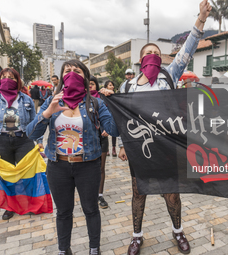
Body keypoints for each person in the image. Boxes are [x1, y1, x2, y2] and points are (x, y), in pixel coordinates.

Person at [105, 1, 211, 254]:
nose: (151, 55)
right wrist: (120, 145)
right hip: (139, 150)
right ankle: (136, 236)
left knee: (171, 195)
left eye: (155, 52)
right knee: (138, 193)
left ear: (160, 58)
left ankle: (178, 231)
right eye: (147, 52)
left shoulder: (168, 75)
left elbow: (188, 49)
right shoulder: (127, 87)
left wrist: (201, 19)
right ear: (140, 59)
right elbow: (122, 119)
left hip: (166, 148)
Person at [26, 59, 119, 255]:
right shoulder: (52, 102)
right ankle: (63, 250)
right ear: (61, 77)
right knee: (63, 212)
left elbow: (113, 130)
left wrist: (113, 103)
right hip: (58, 166)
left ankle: (94, 249)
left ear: (85, 77)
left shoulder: (95, 102)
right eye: (67, 71)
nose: (71, 74)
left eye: (77, 71)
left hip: (88, 166)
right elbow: (31, 134)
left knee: (91, 210)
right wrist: (47, 113)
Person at [0, 68, 41, 220]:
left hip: (23, 140)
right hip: (1, 141)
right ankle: (10, 207)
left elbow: (35, 122)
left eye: (11, 77)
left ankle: (29, 204)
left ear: (18, 80)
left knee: (27, 174)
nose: (7, 79)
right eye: (4, 77)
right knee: (7, 176)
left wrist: (39, 142)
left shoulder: (26, 99)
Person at [90, 75, 110, 209]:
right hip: (89, 139)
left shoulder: (103, 98)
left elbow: (111, 114)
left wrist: (108, 128)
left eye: (92, 83)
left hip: (102, 137)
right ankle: (89, 193)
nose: (90, 85)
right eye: (88, 83)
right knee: (89, 168)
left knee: (101, 167)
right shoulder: (81, 99)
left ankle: (100, 194)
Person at [104, 80, 117, 156]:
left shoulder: (115, 95)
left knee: (114, 132)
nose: (112, 86)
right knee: (105, 132)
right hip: (106, 114)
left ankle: (114, 148)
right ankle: (107, 149)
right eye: (110, 85)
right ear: (106, 87)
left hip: (114, 114)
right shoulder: (103, 95)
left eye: (112, 85)